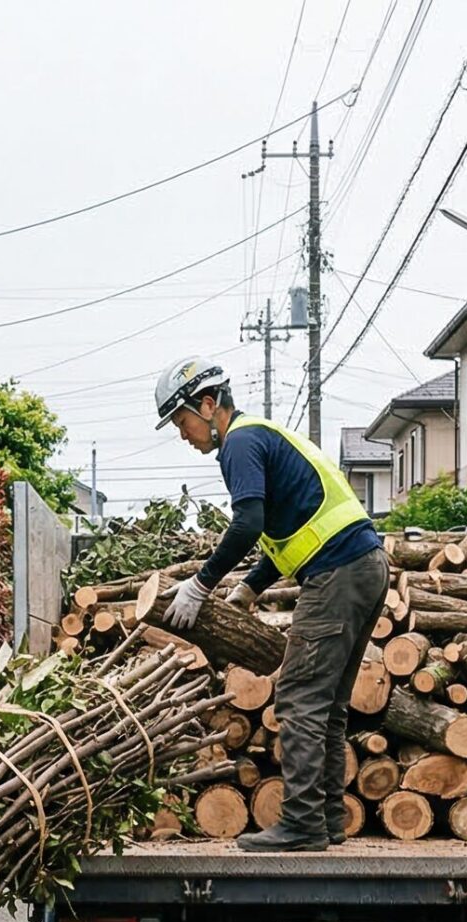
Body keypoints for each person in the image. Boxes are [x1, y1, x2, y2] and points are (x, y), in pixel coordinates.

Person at [152, 356, 389, 851]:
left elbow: (247, 524)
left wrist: (201, 584)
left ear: (208, 405)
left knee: (299, 698)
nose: (182, 434)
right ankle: (327, 820)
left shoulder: (238, 444)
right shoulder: (261, 435)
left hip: (338, 573)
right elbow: (291, 530)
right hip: (364, 567)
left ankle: (301, 824)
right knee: (328, 704)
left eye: (181, 421)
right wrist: (250, 587)